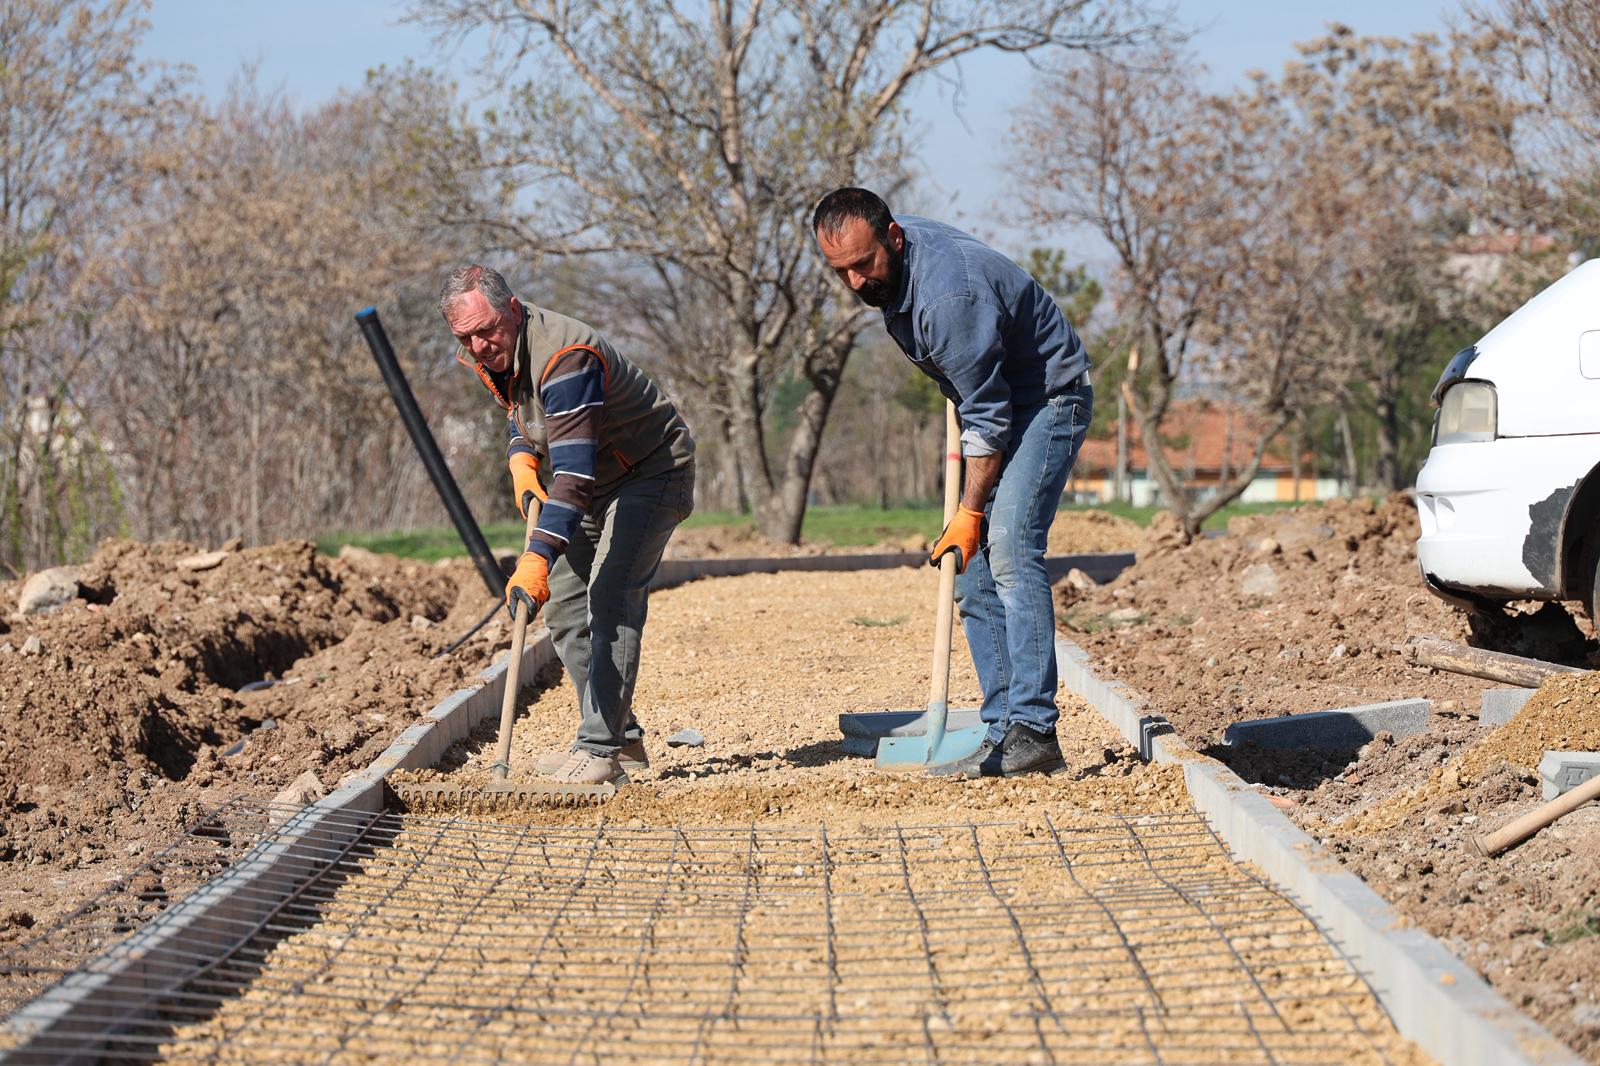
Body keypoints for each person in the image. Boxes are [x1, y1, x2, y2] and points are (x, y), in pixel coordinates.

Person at [812, 188, 1092, 778]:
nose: (856, 282)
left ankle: (1034, 730)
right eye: (841, 271)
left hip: (1047, 401)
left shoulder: (947, 299)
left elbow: (989, 420)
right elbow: (977, 399)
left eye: (863, 264)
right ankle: (1003, 728)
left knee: (1009, 546)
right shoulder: (897, 260)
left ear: (893, 236)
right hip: (997, 401)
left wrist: (969, 512)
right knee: (969, 569)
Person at [439, 265, 695, 787]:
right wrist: (520, 457)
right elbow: (527, 415)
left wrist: (535, 557)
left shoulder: (566, 358)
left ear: (513, 309)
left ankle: (601, 750)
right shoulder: (498, 351)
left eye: (485, 330)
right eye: (465, 338)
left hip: (649, 471)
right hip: (598, 477)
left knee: (611, 595)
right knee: (564, 606)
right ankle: (621, 738)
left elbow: (573, 479)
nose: (479, 346)